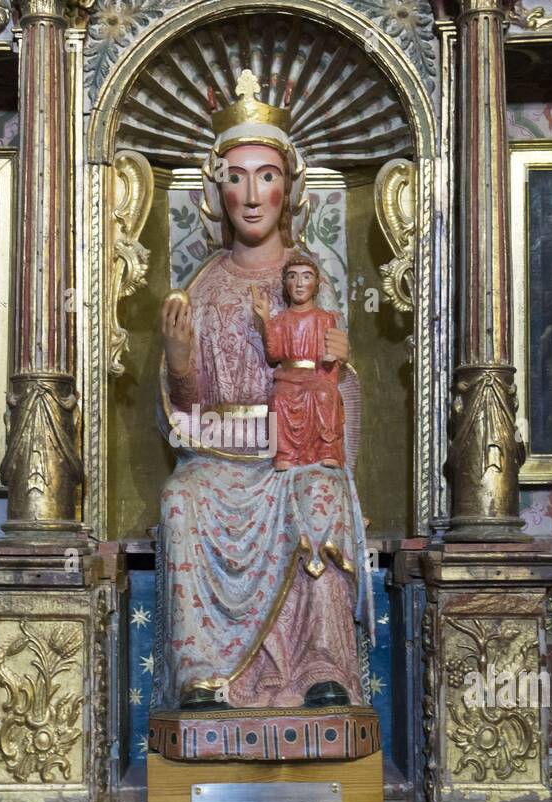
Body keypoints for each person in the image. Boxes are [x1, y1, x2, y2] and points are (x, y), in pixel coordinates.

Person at [155, 70, 371, 712]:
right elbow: (188, 414)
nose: (252, 195)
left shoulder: (309, 281)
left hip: (295, 452)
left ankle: (320, 671)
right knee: (181, 499)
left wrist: (341, 364)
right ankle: (205, 678)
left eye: (266, 176)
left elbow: (339, 397)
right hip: (220, 456)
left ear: (290, 187)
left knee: (322, 495)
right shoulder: (202, 285)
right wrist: (179, 362)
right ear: (214, 190)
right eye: (236, 177)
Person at [251, 253, 345, 470]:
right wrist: (265, 319)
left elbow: (331, 352)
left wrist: (332, 357)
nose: (300, 283)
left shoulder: (324, 318)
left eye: (306, 277)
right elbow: (274, 355)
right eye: (293, 277)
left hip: (315, 375)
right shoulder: (281, 320)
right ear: (286, 285)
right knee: (279, 399)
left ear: (316, 285)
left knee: (323, 395)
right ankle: (285, 454)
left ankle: (326, 449)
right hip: (288, 377)